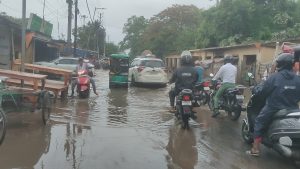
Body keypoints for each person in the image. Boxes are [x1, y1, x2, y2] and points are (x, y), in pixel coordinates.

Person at [247, 53, 300, 156]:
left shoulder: (274, 77)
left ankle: (255, 149)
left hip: (274, 107)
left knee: (259, 122)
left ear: (280, 64)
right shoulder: (298, 79)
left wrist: (255, 90)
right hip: (293, 109)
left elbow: (263, 92)